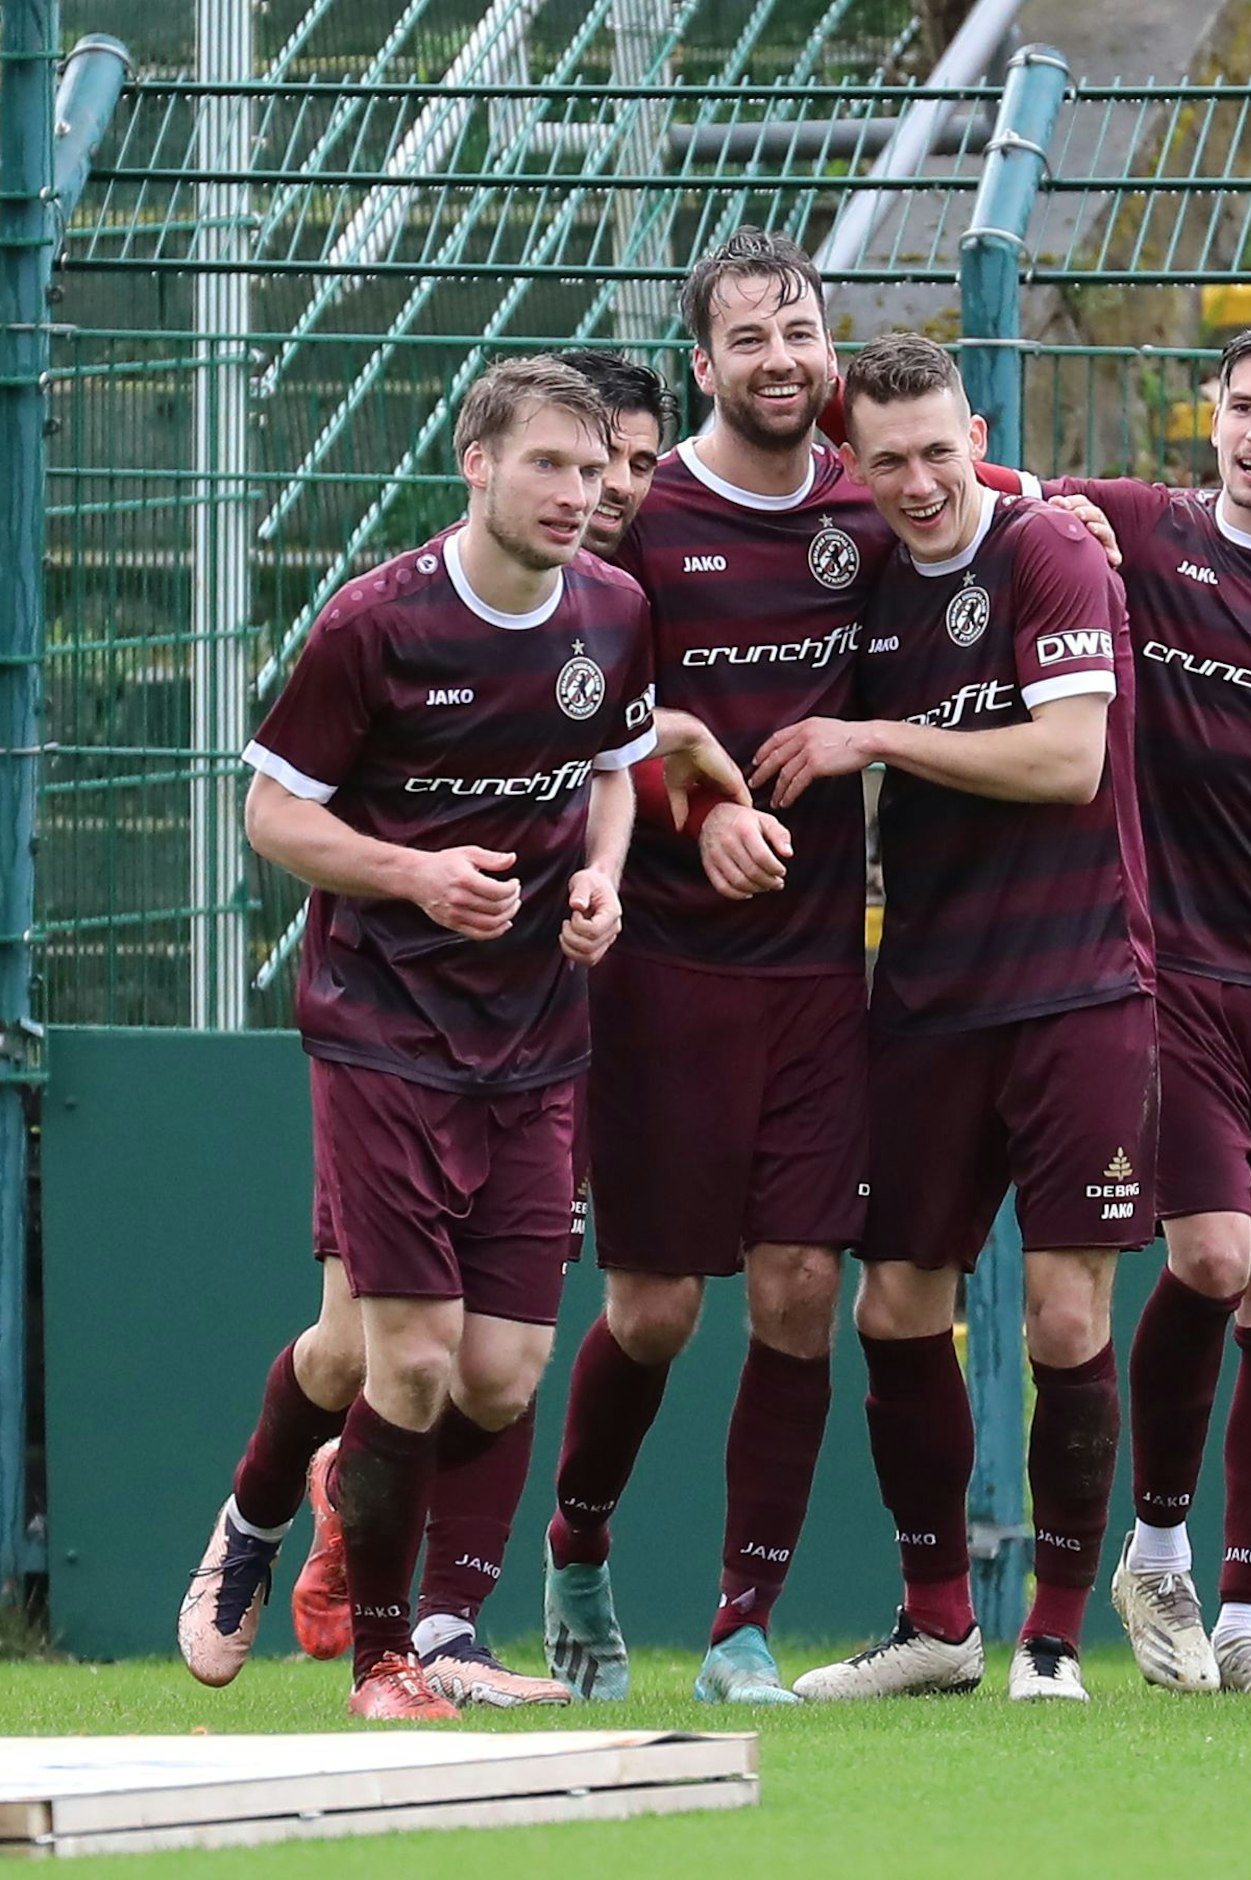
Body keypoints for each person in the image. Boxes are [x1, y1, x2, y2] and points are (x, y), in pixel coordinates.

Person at [177, 354, 738, 1719]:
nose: (581, 489)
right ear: (476, 465)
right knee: (407, 1355)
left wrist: (602, 877)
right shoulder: (378, 624)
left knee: (491, 1370)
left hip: (537, 1033)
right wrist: (414, 874)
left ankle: (272, 1506)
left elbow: (615, 773)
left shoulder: (612, 612)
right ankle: (385, 1655)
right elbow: (274, 817)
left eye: (598, 465)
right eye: (549, 462)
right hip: (384, 1022)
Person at [758, 332, 1155, 1704]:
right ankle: (937, 1627)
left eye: (942, 451)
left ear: (972, 430)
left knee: (1061, 1314)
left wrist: (874, 740)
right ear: (850, 461)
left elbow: (1068, 757)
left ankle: (1051, 1640)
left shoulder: (1050, 550)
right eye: (887, 460)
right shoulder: (857, 563)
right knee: (895, 1308)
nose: (920, 482)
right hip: (925, 996)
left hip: (1080, 991)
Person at [983, 325, 1251, 1695]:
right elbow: (964, 484)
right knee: (1210, 1259)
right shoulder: (1138, 531)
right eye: (1240, 408)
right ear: (1210, 420)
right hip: (1177, 979)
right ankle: (1158, 1546)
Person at [543, 230, 888, 1709]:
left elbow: (982, 512)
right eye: (748, 338)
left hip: (817, 979)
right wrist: (701, 813)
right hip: (662, 964)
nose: (779, 360)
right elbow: (595, 728)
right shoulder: (640, 518)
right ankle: (575, 1546)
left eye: (798, 331)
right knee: (656, 1313)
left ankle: (744, 1624)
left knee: (803, 1288)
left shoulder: (870, 509)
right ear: (702, 365)